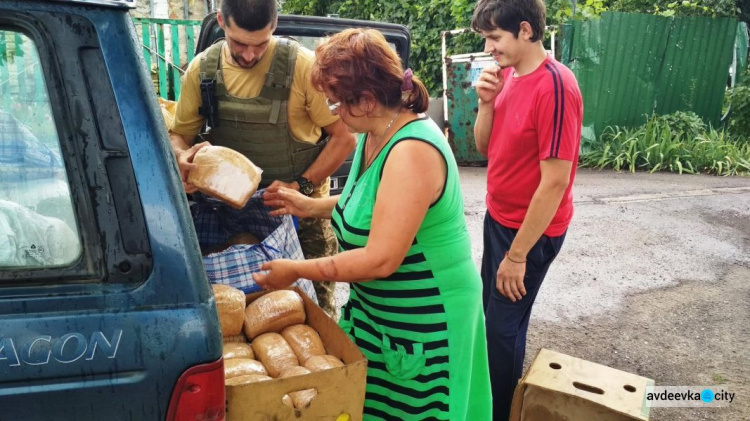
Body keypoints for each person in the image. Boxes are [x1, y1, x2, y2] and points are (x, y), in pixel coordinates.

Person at [253, 28, 492, 420]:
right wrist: (307, 206)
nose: (334, 113)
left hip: (424, 319)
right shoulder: (375, 131)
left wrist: (295, 271)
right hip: (380, 313)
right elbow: (368, 205)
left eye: (336, 105)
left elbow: (380, 259)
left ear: (365, 100)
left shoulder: (412, 150)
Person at [168, 0, 355, 318]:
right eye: (239, 42)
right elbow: (179, 135)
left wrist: (302, 187)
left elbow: (344, 138)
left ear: (275, 25)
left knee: (316, 317)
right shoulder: (202, 69)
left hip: (302, 217)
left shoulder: (303, 67)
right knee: (227, 318)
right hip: (224, 217)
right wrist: (181, 157)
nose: (250, 54)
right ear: (221, 21)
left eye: (261, 44)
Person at [471, 0, 584, 418]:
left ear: (524, 30)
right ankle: (494, 404)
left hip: (530, 234)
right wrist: (486, 103)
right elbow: (486, 148)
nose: (488, 48)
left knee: (502, 331)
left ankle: (498, 413)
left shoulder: (556, 86)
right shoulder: (508, 77)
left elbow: (555, 181)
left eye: (494, 38)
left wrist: (516, 256)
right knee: (495, 324)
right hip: (498, 219)